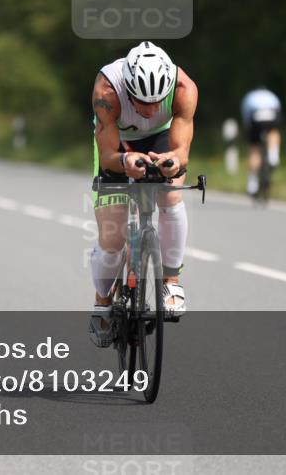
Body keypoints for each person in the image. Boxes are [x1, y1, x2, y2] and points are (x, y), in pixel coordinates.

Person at [89, 41, 198, 347]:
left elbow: (181, 152)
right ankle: (102, 303)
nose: (150, 110)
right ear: (128, 89)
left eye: (156, 102)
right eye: (141, 101)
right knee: (112, 239)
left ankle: (171, 283)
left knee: (171, 195)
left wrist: (174, 162)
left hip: (162, 136)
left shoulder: (183, 88)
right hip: (117, 141)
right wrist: (124, 162)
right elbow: (108, 154)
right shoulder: (107, 92)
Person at [240, 86, 282, 196]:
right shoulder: (272, 95)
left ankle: (252, 184)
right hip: (272, 113)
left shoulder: (249, 97)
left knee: (255, 149)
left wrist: (250, 132)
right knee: (273, 132)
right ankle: (274, 156)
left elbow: (246, 118)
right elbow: (279, 110)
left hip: (255, 115)